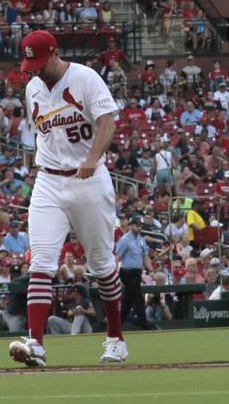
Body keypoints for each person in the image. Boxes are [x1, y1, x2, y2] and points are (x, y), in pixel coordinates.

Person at [8, 30, 128, 369]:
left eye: (40, 62)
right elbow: (43, 134)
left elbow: (107, 121)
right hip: (48, 179)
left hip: (88, 180)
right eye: (31, 63)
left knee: (101, 264)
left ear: (55, 53)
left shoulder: (85, 77)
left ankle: (116, 338)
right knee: (41, 262)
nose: (36, 69)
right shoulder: (32, 88)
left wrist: (93, 157)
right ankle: (36, 344)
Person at [116, 215, 157, 330]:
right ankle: (143, 322)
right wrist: (115, 274)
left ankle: (119, 322)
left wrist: (151, 270)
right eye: (137, 225)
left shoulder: (141, 240)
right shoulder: (125, 240)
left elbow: (145, 257)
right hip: (127, 272)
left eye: (140, 226)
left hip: (137, 272)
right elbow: (117, 257)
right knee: (138, 297)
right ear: (130, 226)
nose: (139, 228)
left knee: (128, 300)